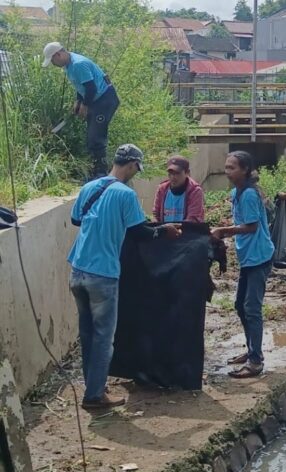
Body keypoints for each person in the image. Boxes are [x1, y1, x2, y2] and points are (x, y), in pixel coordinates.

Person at [67, 144, 181, 409]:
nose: (135, 173)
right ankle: (94, 396)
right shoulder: (125, 194)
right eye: (136, 169)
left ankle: (93, 386)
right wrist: (164, 230)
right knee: (103, 338)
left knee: (87, 334)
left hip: (77, 270)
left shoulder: (89, 187)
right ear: (131, 165)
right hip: (103, 274)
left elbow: (76, 220)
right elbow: (140, 232)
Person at [211, 151, 275, 378]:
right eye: (226, 167)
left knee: (251, 308)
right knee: (240, 305)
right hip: (248, 257)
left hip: (259, 257)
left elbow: (251, 226)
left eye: (232, 168)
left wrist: (223, 231)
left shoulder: (248, 194)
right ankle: (251, 350)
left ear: (245, 170)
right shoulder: (236, 193)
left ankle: (256, 361)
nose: (227, 171)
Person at [43, 42, 119, 179]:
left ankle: (101, 173)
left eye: (52, 61)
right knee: (91, 136)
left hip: (105, 100)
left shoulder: (78, 64)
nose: (53, 64)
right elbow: (81, 86)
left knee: (96, 136)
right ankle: (95, 170)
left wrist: (85, 105)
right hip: (95, 99)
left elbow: (91, 88)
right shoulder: (68, 66)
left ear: (58, 54)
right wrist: (78, 102)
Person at [153, 156, 205, 224]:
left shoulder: (195, 191)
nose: (173, 177)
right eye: (170, 173)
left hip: (188, 229)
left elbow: (193, 219)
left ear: (187, 173)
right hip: (165, 229)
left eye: (177, 173)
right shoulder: (162, 189)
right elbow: (156, 215)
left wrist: (175, 228)